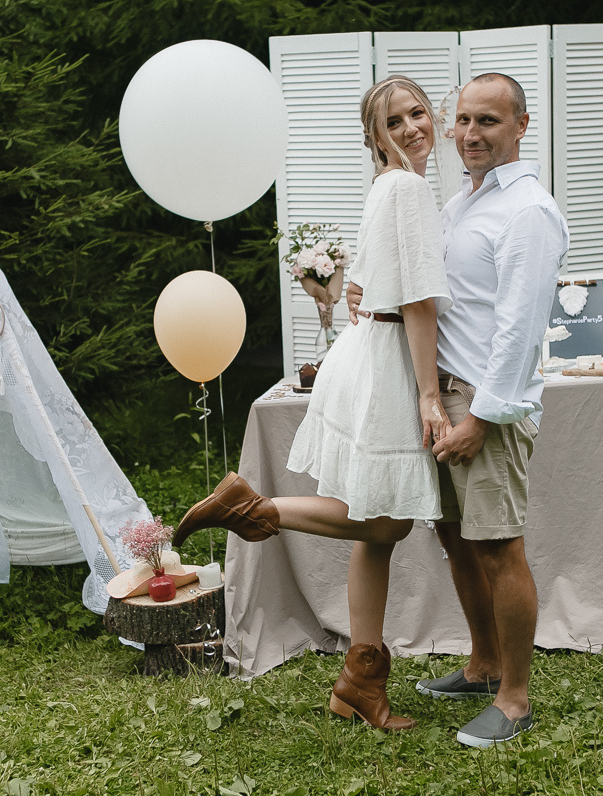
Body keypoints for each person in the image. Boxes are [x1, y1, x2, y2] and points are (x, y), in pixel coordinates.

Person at [174, 75, 452, 732]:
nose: (413, 127)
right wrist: (430, 393)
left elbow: (363, 283)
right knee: (385, 523)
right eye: (394, 121)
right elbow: (417, 301)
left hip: (368, 350)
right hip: (386, 363)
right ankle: (254, 506)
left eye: (418, 113)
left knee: (378, 531)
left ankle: (359, 680)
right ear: (374, 137)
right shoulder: (407, 187)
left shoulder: (390, 187)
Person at [351, 73, 568, 747]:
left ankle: (515, 696)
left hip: (484, 403)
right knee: (455, 537)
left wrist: (485, 416)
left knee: (500, 546)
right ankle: (482, 663)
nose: (471, 135)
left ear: (521, 126)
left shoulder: (527, 211)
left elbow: (520, 327)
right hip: (444, 396)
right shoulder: (460, 202)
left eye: (489, 123)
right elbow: (433, 293)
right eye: (464, 120)